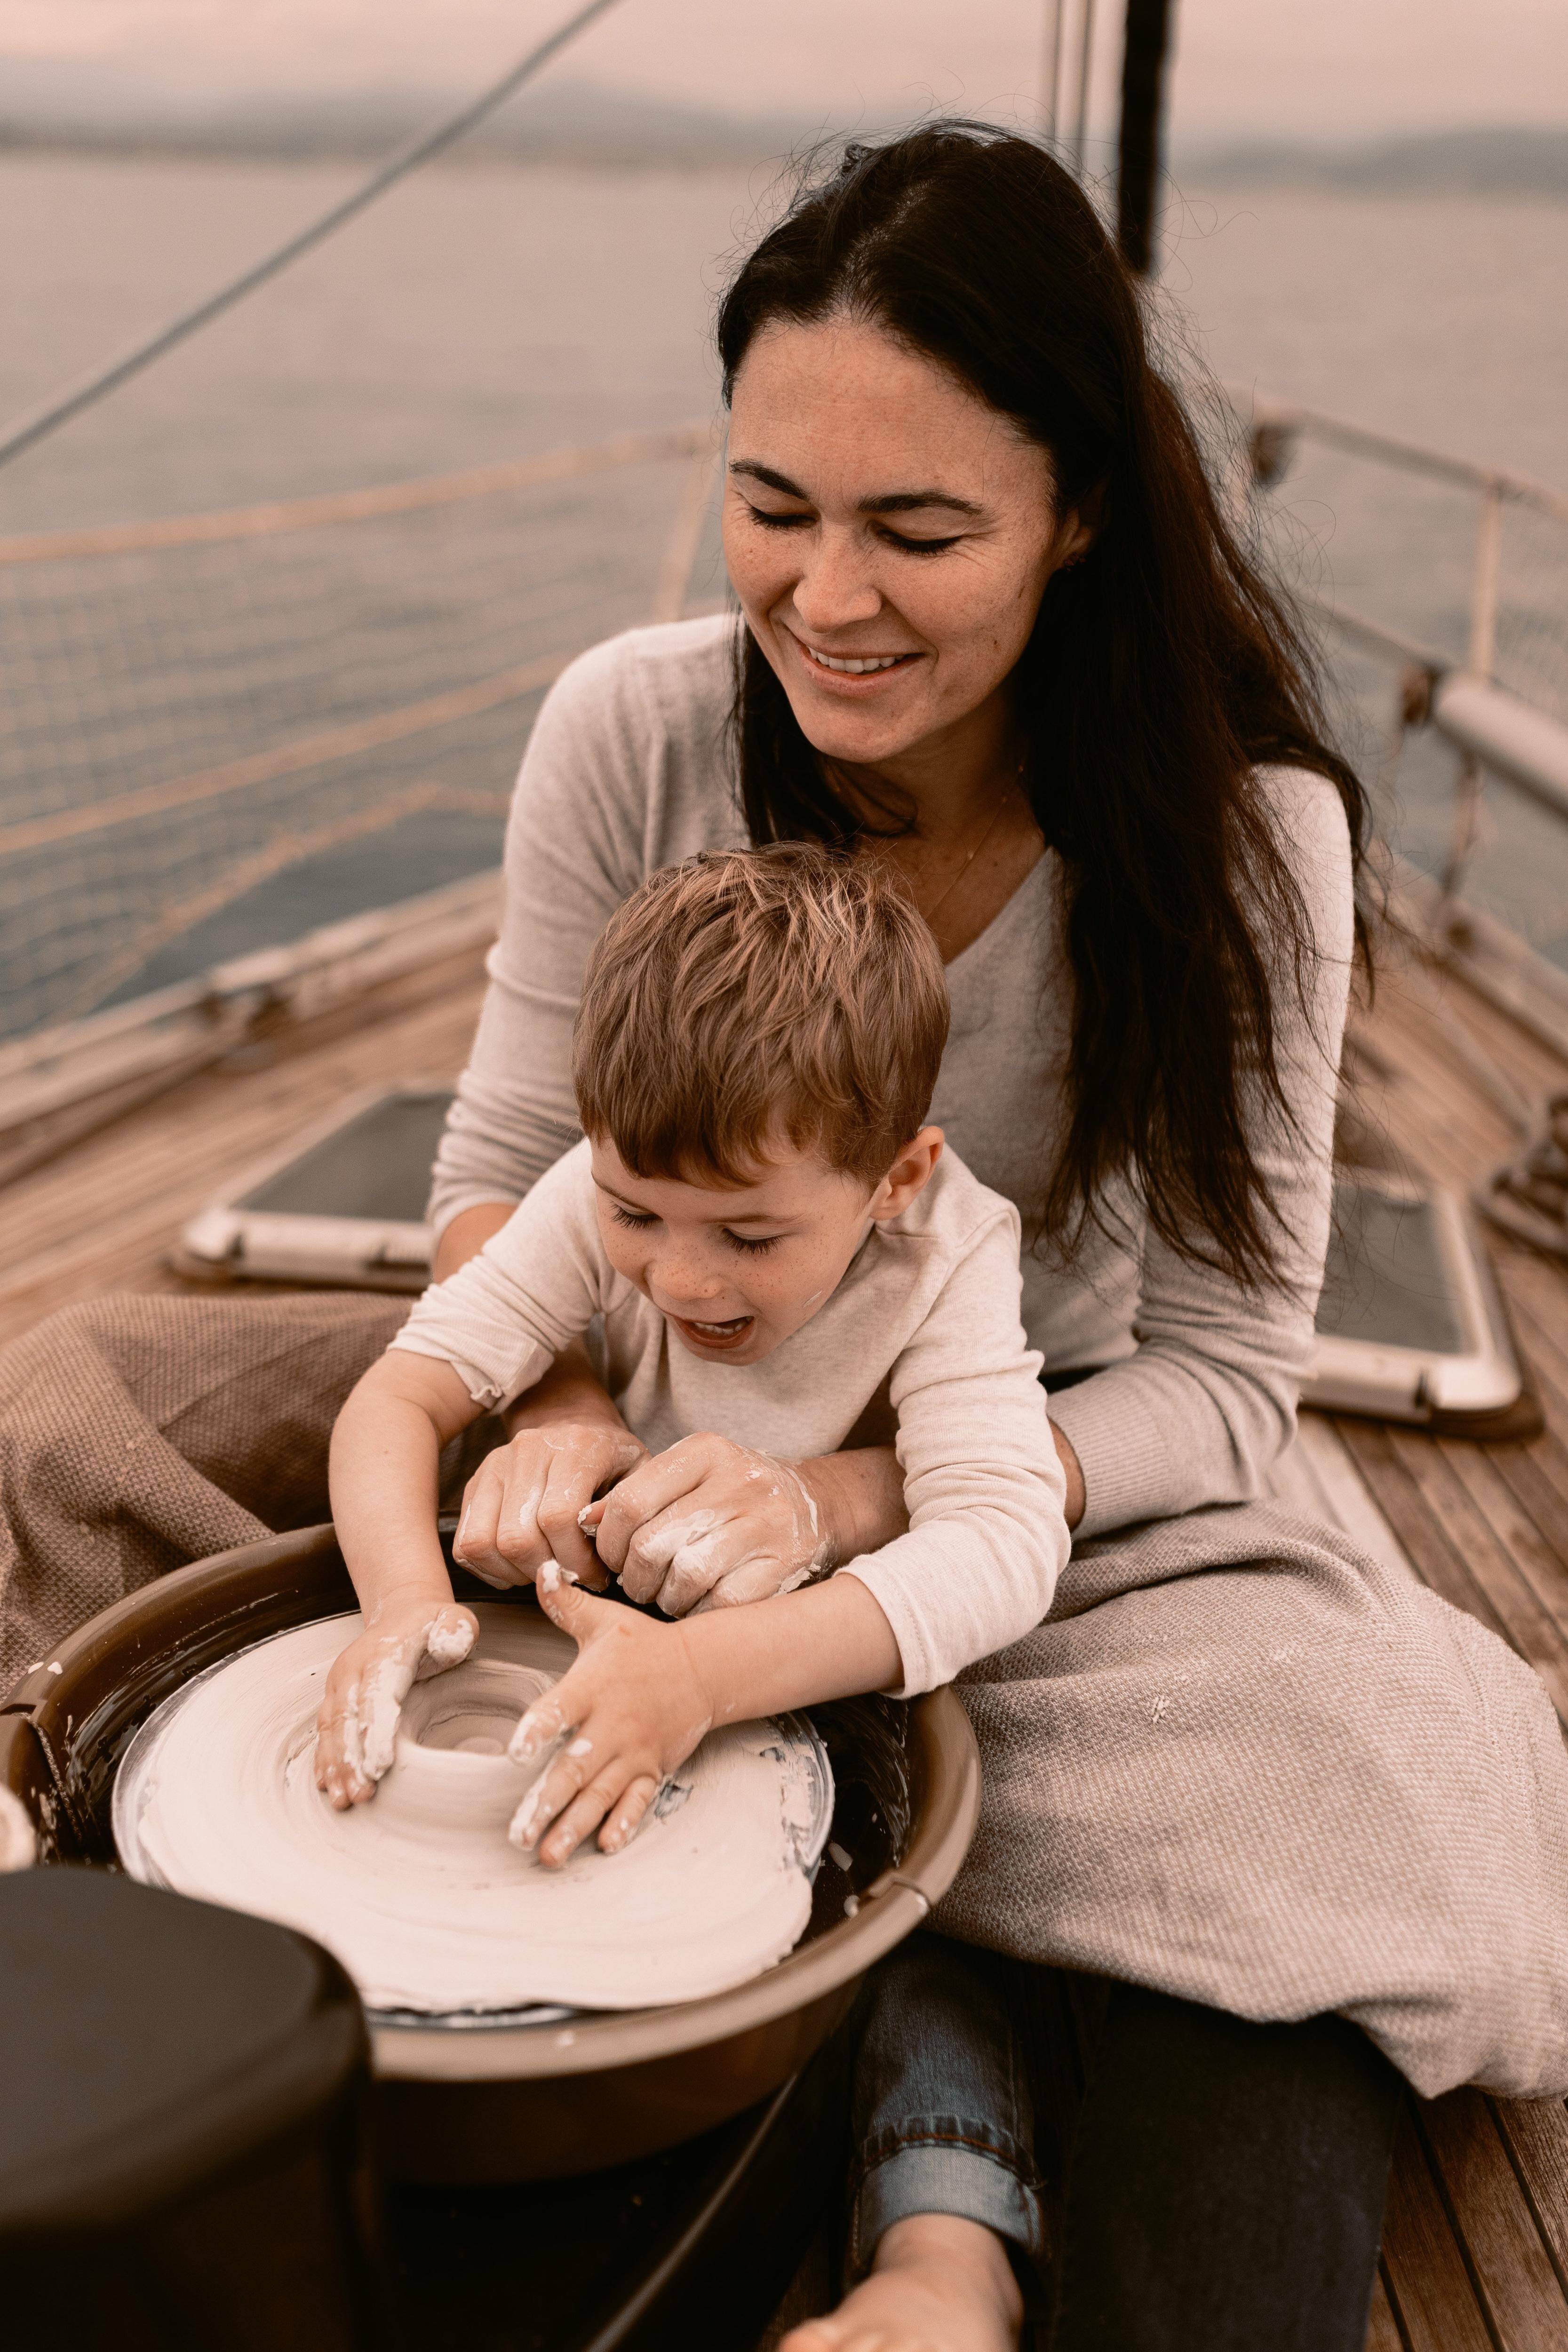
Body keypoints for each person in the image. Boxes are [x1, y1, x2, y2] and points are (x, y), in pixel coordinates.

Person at [6, 120, 1568, 2352]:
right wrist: (550, 1406)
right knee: (67, 1404)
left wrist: (839, 1501)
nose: (825, 598)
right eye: (773, 506)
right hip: (621, 1373)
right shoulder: (624, 731)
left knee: (1338, 1775)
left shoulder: (1243, 842)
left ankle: (962, 2159)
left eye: (918, 530)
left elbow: (1224, 1383)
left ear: (1082, 516)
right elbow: (502, 1171)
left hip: (1023, 1467)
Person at [314, 845, 1069, 1862]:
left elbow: (1002, 1541)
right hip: (601, 1571)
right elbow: (401, 1395)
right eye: (635, 1215)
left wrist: (700, 1677)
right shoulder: (600, 1179)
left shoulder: (948, 1248)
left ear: (895, 1177)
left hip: (792, 1628)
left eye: (748, 1238)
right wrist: (403, 1605)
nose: (677, 1281)